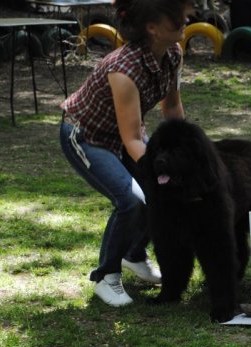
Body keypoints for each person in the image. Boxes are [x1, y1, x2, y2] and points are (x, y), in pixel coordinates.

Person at [59, 0, 193, 307]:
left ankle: (134, 254)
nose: (185, 21)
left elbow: (171, 106)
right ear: (152, 28)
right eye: (177, 18)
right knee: (132, 200)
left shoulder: (172, 53)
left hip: (124, 134)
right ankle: (106, 276)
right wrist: (163, 171)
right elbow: (131, 137)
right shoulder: (124, 70)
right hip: (86, 136)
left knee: (159, 190)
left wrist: (185, 152)